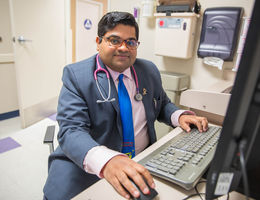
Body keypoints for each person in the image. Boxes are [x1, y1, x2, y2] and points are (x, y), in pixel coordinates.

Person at [43, 11, 208, 200]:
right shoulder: (77, 76)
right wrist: (108, 161)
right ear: (98, 42)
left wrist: (179, 116)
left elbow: (162, 105)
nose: (123, 48)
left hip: (142, 162)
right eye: (114, 40)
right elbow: (71, 131)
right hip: (88, 166)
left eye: (131, 42)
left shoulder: (148, 70)